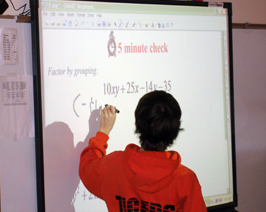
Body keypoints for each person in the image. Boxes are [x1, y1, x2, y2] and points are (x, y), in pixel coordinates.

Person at [79, 90, 207, 212]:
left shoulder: (114, 165)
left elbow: (86, 169)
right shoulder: (185, 180)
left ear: (138, 123)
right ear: (174, 129)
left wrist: (103, 132)